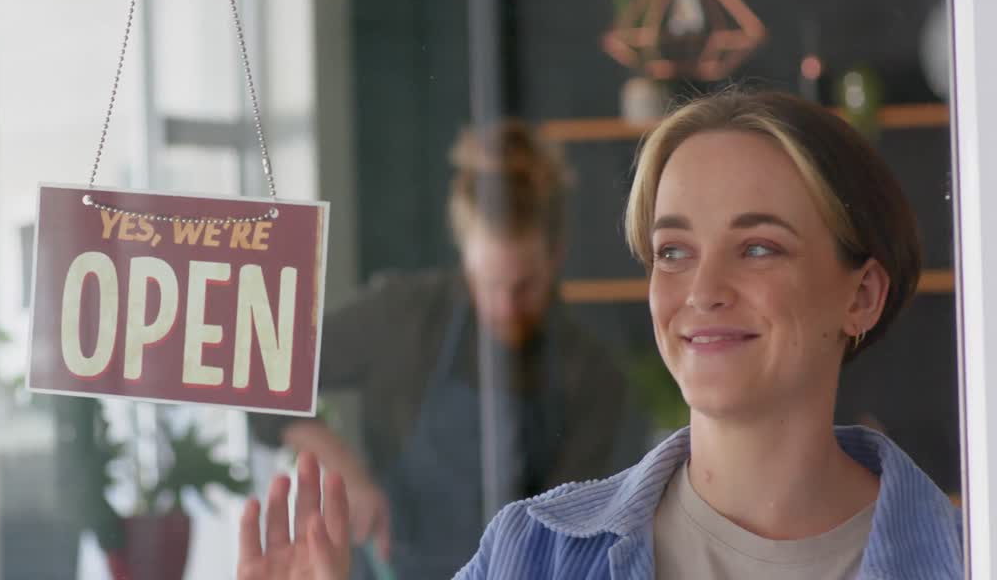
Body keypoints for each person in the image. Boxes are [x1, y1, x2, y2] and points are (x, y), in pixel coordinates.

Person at [237, 89, 965, 580]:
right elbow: (259, 358)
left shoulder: (967, 557)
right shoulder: (535, 553)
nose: (702, 291)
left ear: (861, 295)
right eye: (674, 251)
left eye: (758, 247)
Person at [247, 120, 634, 578]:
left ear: (557, 255)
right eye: (489, 284)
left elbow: (572, 544)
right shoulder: (402, 315)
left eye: (524, 286)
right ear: (464, 254)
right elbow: (259, 368)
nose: (506, 307)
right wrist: (341, 467)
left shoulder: (591, 374)